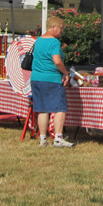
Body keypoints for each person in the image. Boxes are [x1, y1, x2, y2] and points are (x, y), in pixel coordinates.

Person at [30, 17, 75, 148]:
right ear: (53, 27)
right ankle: (58, 138)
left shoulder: (38, 40)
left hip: (36, 78)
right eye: (61, 28)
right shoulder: (54, 42)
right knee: (60, 108)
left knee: (42, 109)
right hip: (51, 78)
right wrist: (65, 72)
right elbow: (57, 60)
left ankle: (43, 139)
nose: (61, 31)